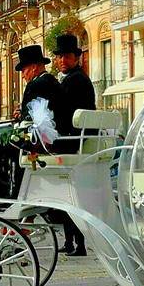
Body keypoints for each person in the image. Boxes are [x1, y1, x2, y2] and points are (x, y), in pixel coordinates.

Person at [51, 34, 96, 256]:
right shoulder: (72, 78)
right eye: (59, 57)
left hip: (72, 140)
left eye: (67, 57)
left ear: (76, 58)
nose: (62, 61)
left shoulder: (75, 80)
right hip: (74, 138)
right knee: (67, 197)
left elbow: (61, 111)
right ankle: (71, 242)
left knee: (68, 197)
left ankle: (76, 243)